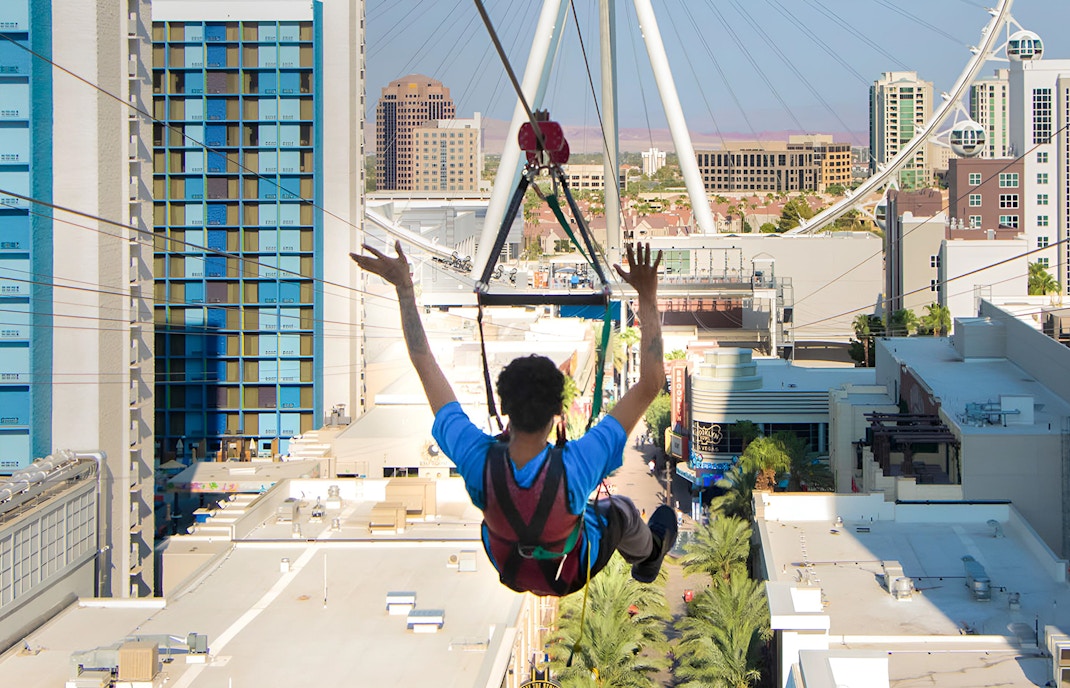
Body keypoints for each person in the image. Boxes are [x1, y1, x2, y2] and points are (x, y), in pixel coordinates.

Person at [351, 241, 677, 597]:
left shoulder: (477, 459)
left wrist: (404, 288)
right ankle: (650, 556)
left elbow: (423, 361)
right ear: (557, 415)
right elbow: (651, 383)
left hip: (509, 567)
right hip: (566, 572)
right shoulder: (579, 464)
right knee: (623, 510)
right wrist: (647, 293)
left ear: (503, 409)